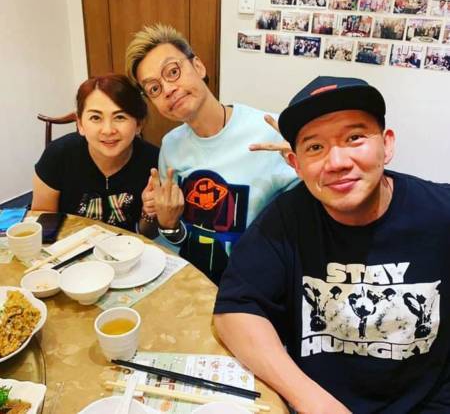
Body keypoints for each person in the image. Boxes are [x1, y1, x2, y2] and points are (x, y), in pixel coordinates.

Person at [214, 76, 450, 413]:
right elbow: (235, 310)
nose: (337, 162)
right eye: (315, 147)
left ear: (387, 145)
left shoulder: (439, 213)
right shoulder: (286, 219)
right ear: (295, 164)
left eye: (354, 138)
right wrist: (314, 402)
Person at [125, 24, 296, 284]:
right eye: (154, 89)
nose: (168, 89)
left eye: (173, 72)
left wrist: (310, 163)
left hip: (254, 286)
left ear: (199, 67)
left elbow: (314, 223)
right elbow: (175, 239)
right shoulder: (171, 145)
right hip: (190, 281)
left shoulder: (272, 132)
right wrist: (164, 220)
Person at [32, 74, 159, 237]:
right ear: (80, 124)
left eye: (120, 117)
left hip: (125, 248)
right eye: (95, 117)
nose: (108, 130)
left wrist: (148, 213)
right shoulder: (58, 155)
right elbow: (43, 225)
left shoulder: (153, 161)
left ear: (138, 124)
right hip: (68, 246)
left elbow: (148, 235)